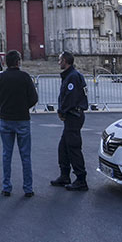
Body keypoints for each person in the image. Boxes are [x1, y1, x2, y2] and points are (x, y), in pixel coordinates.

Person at [0, 50, 37, 198]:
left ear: (5, 63)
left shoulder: (1, 77)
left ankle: (6, 187)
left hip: (6, 119)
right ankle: (28, 189)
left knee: (6, 155)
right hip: (22, 119)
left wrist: (6, 107)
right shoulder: (25, 77)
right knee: (25, 156)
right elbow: (34, 98)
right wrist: (23, 108)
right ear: (18, 62)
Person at [50, 51, 88, 191]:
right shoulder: (71, 75)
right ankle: (64, 176)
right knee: (63, 147)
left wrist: (62, 112)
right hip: (72, 115)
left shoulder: (72, 77)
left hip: (73, 116)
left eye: (60, 60)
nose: (58, 62)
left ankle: (81, 179)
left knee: (73, 148)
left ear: (65, 61)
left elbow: (70, 98)